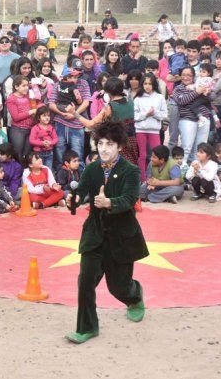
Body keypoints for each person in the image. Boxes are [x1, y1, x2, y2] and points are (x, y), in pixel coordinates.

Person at [65, 120, 146, 344]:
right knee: (85, 281)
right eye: (100, 143)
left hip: (122, 235)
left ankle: (135, 295)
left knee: (118, 286)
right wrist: (73, 200)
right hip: (95, 233)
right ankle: (87, 327)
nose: (103, 149)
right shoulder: (91, 169)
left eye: (109, 144)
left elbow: (130, 200)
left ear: (119, 146)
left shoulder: (131, 171)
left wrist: (109, 202)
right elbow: (80, 194)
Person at [133, 73, 168, 181]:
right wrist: (146, 114)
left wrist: (154, 113)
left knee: (157, 155)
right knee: (142, 156)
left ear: (154, 85)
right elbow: (134, 116)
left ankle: (157, 178)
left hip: (154, 130)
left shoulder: (160, 97)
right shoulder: (138, 98)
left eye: (150, 84)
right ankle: (143, 179)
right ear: (142, 84)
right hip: (140, 130)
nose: (147, 86)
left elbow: (164, 115)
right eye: (145, 83)